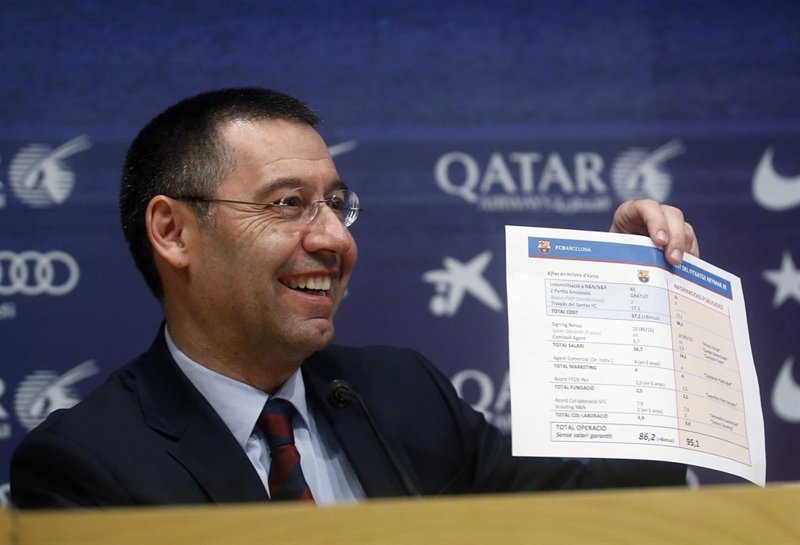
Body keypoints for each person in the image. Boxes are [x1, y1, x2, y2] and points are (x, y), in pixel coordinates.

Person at [10, 88, 696, 508]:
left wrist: (625, 307)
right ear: (173, 232)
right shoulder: (85, 465)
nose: (335, 238)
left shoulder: (404, 393)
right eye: (289, 204)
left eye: (337, 204)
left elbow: (604, 515)